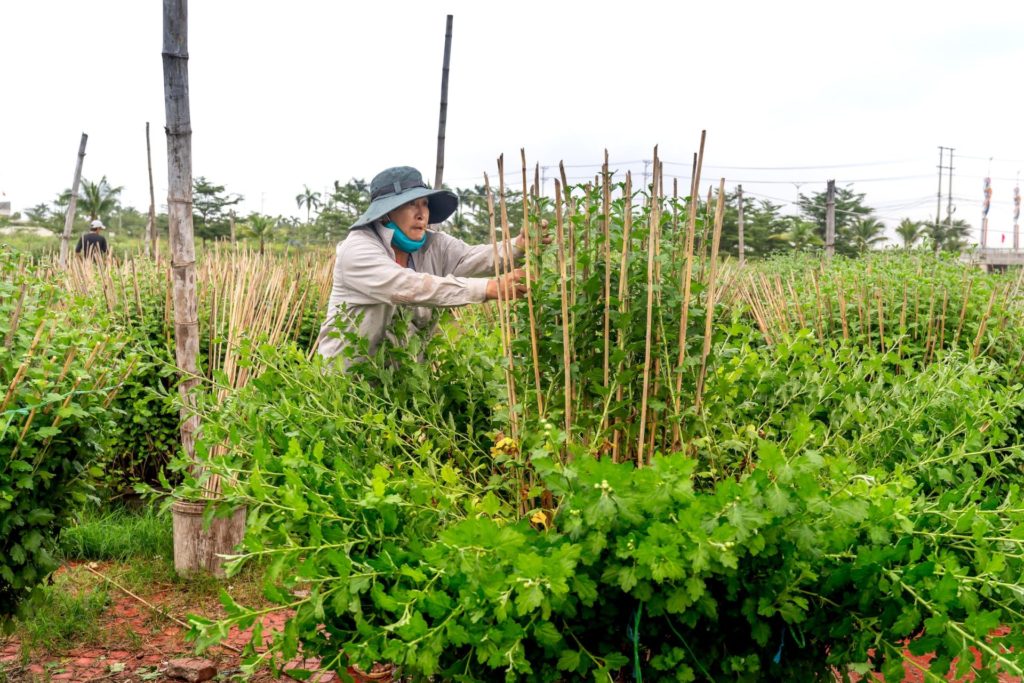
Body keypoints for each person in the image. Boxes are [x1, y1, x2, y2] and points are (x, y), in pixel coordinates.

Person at [317, 165, 531, 364]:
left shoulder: (434, 244)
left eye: (424, 204)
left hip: (401, 388)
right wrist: (489, 287)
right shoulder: (358, 248)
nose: (421, 214)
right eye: (410, 204)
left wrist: (518, 246)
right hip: (347, 388)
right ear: (385, 213)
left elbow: (473, 257)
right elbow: (406, 286)